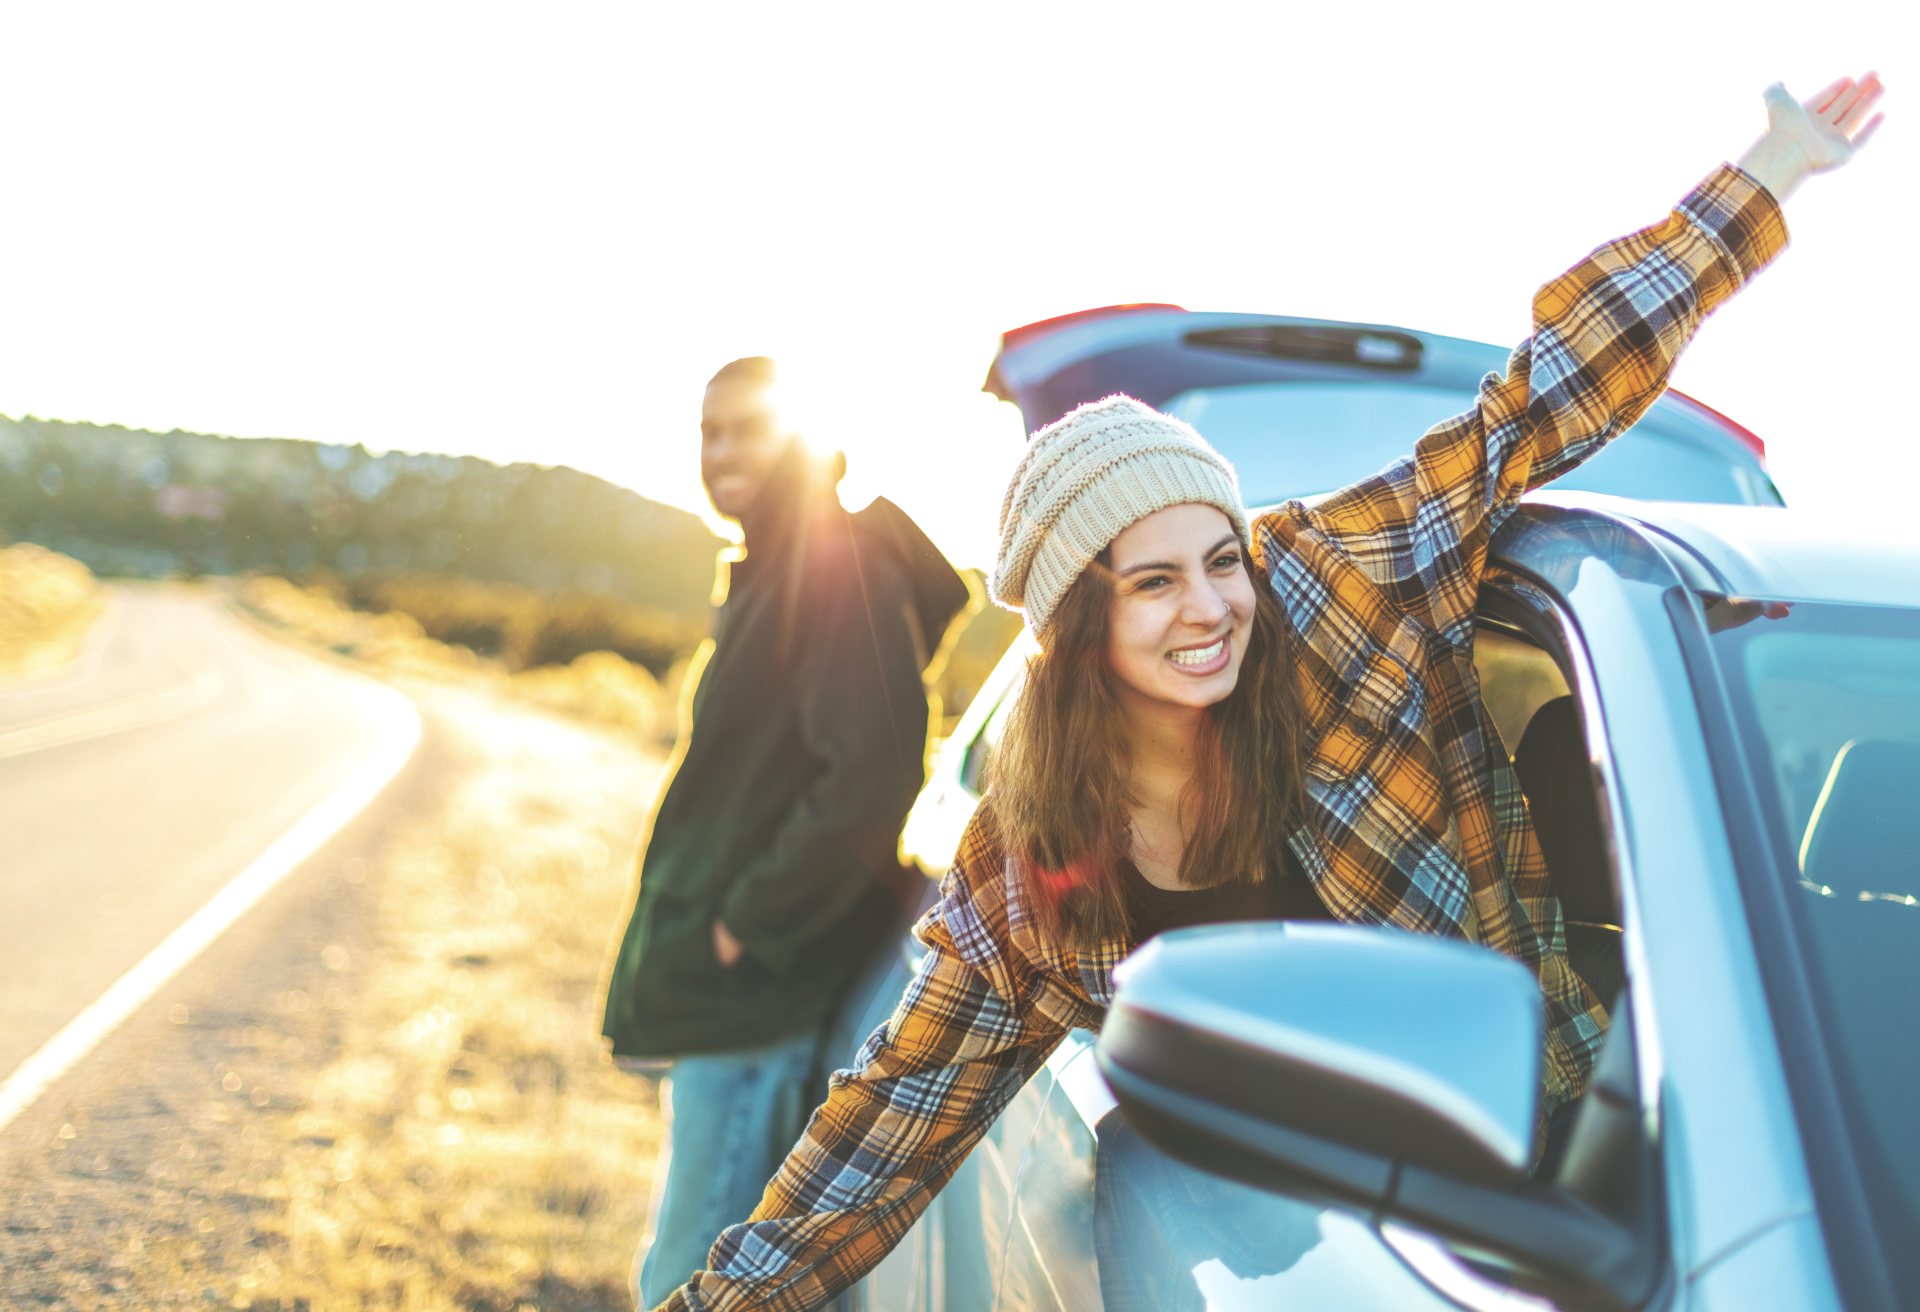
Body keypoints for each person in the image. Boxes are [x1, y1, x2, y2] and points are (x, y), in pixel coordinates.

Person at [654, 73, 1885, 1311]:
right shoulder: (1032, 861)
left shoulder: (1342, 589)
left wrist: (1768, 175)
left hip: (1559, 1201)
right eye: (1153, 584)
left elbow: (1544, 396)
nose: (1214, 606)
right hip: (1249, 1250)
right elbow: (890, 1125)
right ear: (1079, 624)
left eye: (1223, 557)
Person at [601, 356, 970, 1309]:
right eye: (708, 431)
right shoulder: (779, 564)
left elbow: (871, 781)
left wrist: (745, 926)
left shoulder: (830, 567)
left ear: (800, 437)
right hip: (743, 992)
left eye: (747, 429)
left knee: (692, 1273)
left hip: (759, 996)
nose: (721, 451)